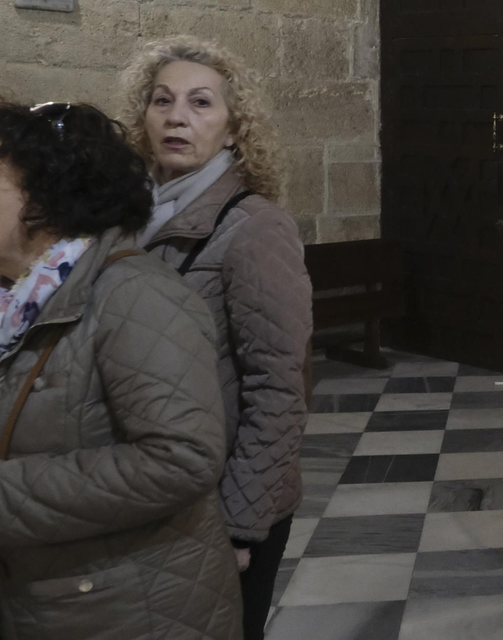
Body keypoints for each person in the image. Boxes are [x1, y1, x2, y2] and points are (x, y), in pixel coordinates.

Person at [0, 98, 242, 640]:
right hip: (48, 599)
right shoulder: (19, 301)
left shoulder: (136, 296)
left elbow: (182, 459)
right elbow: (43, 426)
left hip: (131, 613)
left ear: (45, 200)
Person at [121, 41, 311, 639]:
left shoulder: (255, 227)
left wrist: (240, 524)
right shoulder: (126, 222)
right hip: (150, 492)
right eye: (162, 100)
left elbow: (278, 387)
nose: (177, 116)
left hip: (221, 501)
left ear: (234, 130)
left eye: (201, 103)